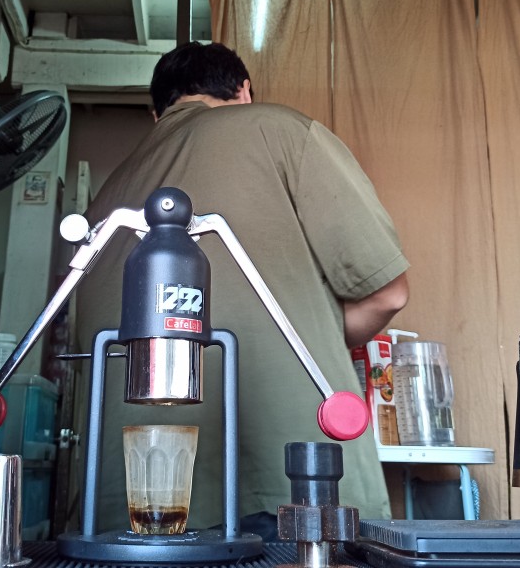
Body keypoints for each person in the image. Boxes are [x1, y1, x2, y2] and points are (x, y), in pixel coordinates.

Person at [72, 41, 409, 538]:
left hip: (130, 499)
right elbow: (387, 293)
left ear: (156, 112)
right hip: (284, 489)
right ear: (244, 90)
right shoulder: (280, 131)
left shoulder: (105, 197)